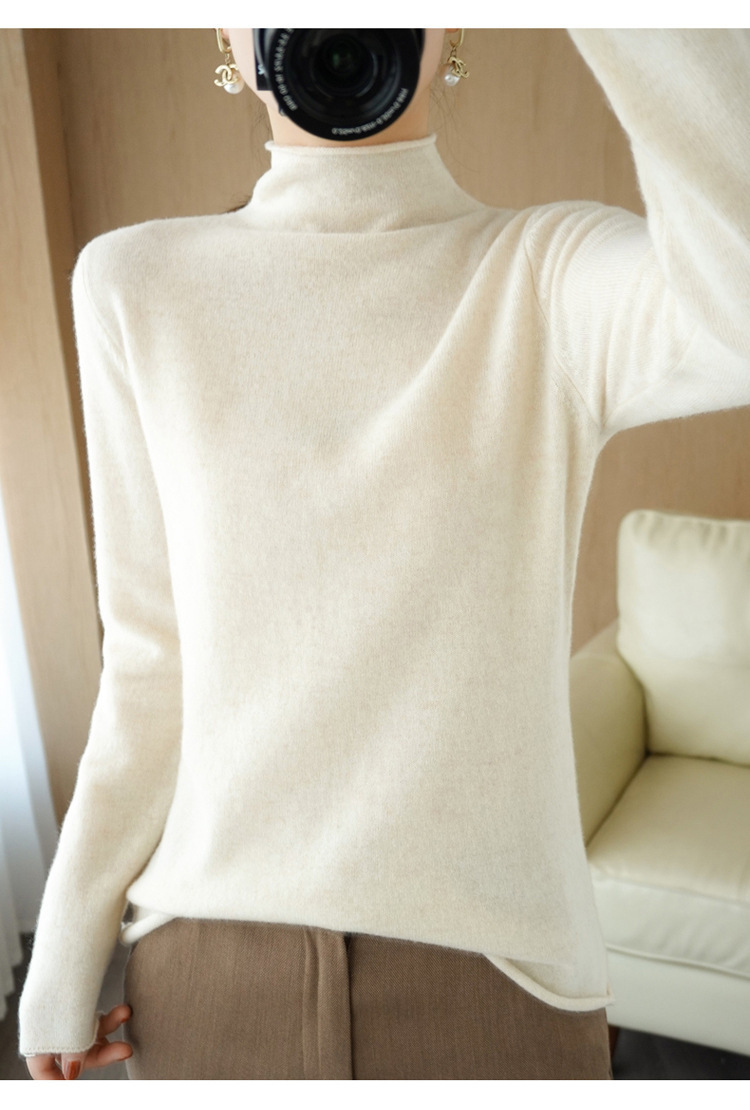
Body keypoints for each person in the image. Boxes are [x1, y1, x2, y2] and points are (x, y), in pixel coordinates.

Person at [19, 27, 750, 1079]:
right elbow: (150, 659)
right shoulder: (134, 284)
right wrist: (63, 957)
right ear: (223, 32)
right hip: (208, 969)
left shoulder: (546, 274)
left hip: (503, 985)